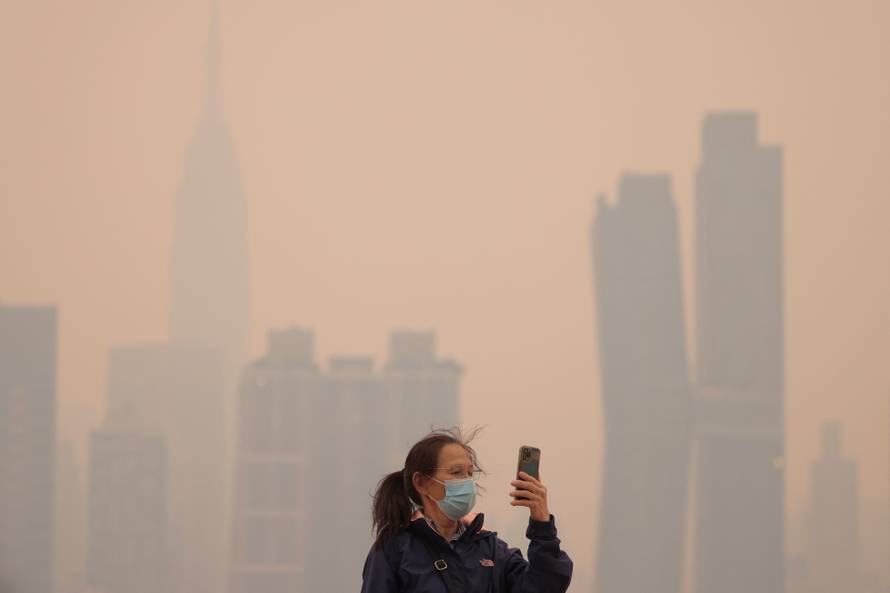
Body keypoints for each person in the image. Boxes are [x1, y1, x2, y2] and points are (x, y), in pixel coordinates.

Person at [361, 427, 573, 592]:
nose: (466, 481)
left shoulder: (489, 549)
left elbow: (546, 587)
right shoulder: (394, 551)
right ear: (422, 482)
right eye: (456, 472)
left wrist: (542, 523)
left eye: (469, 473)